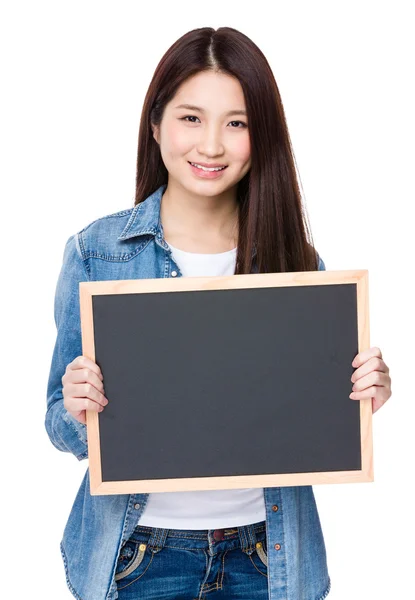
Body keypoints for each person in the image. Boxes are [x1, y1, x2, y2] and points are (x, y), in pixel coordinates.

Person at [45, 26, 392, 600]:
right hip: (138, 558)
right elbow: (58, 422)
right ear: (155, 124)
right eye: (190, 118)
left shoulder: (296, 262)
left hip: (267, 555)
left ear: (262, 137)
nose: (211, 145)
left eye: (237, 123)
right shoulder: (96, 253)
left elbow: (311, 415)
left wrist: (361, 394)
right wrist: (79, 409)